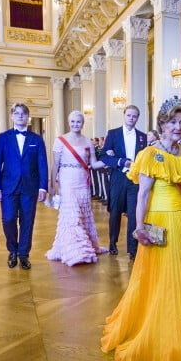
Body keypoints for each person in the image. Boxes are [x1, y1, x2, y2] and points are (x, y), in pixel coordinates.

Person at [101, 98, 181, 361]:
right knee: (162, 279)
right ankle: (161, 333)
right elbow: (142, 194)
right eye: (173, 122)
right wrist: (139, 227)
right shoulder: (149, 154)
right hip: (159, 222)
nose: (179, 127)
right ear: (162, 125)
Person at [45, 111, 108, 266]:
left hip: (82, 180)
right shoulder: (60, 141)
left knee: (83, 213)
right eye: (72, 121)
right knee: (71, 214)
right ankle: (76, 251)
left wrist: (110, 160)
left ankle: (85, 245)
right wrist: (52, 185)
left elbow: (93, 164)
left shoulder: (88, 142)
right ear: (68, 122)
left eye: (78, 122)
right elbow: (55, 165)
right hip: (66, 180)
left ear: (83, 123)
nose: (75, 124)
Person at [0, 103, 48, 270]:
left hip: (30, 188)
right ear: (12, 117)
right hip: (8, 186)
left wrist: (43, 187)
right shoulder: (3, 138)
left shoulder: (36, 139)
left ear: (28, 117)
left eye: (23, 113)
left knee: (27, 222)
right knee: (8, 219)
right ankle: (12, 250)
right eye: (17, 113)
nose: (20, 116)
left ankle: (23, 254)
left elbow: (42, 164)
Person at [99, 105, 147, 259]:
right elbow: (104, 157)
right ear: (124, 115)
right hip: (118, 178)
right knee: (115, 211)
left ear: (137, 118)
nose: (131, 118)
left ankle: (132, 249)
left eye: (134, 116)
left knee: (133, 213)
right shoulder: (113, 134)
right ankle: (112, 243)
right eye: (129, 115)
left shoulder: (142, 137)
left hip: (135, 180)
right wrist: (119, 161)